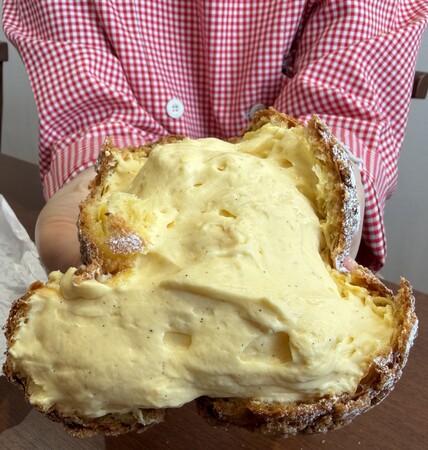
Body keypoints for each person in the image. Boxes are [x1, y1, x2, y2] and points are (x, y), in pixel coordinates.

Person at [3, 1, 427, 273]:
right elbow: (90, 104)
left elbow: (341, 99)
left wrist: (333, 186)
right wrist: (92, 180)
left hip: (292, 265)